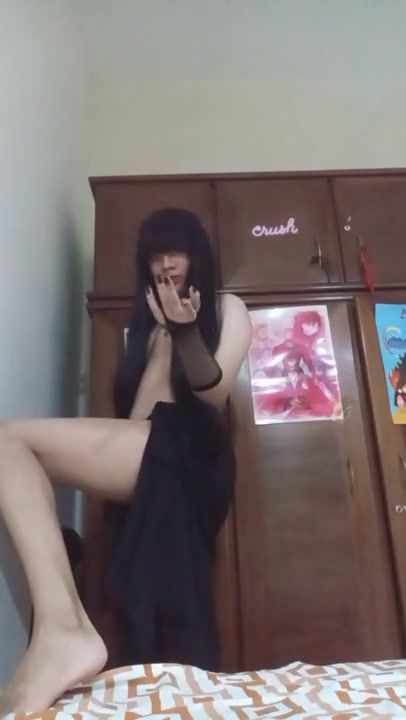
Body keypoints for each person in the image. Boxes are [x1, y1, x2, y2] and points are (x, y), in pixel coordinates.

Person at [0, 208, 252, 715]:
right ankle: (54, 632)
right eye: (155, 255)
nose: (165, 263)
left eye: (175, 251)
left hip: (190, 449)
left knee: (7, 442)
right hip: (148, 446)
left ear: (197, 255)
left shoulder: (227, 307)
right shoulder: (144, 329)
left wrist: (186, 331)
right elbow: (138, 415)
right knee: (13, 473)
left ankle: (62, 632)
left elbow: (215, 391)